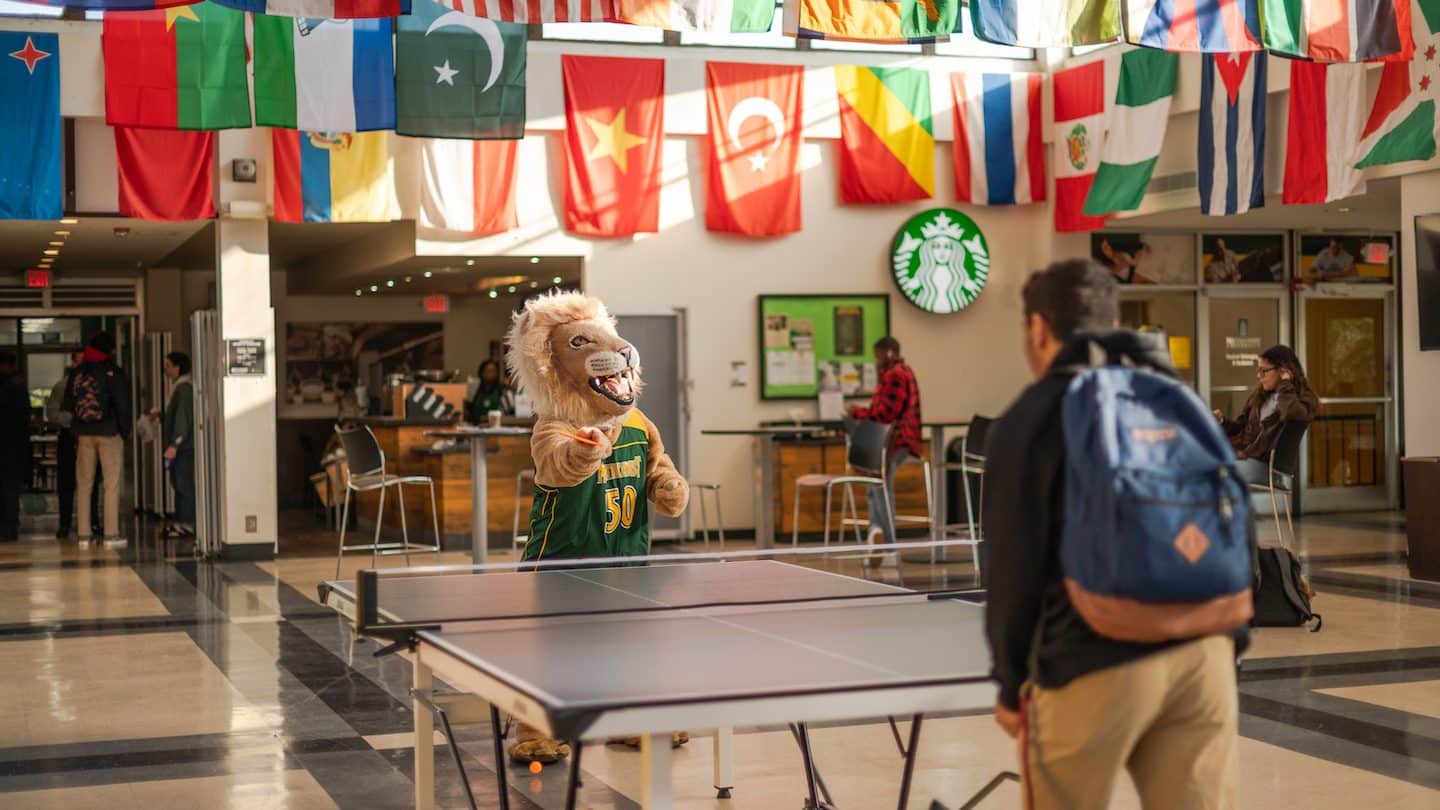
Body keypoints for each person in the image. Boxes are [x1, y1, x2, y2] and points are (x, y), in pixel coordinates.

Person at [983, 258, 1244, 810]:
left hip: (1092, 659)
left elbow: (1012, 566)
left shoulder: (1032, 416)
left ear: (1038, 329)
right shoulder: (1175, 397)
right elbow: (1233, 516)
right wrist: (1230, 641)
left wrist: (1010, 685)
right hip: (1205, 656)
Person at [850, 336, 922, 561]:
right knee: (875, 487)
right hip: (900, 439)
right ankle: (876, 535)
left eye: (878, 355)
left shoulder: (894, 375)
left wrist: (858, 413)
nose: (876, 360)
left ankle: (888, 544)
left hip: (896, 440)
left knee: (881, 489)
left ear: (889, 352)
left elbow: (885, 414)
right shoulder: (903, 371)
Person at [63, 332, 132, 547]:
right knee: (110, 484)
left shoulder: (77, 371)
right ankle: (111, 535)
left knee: (84, 483)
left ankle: (84, 535)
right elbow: (123, 405)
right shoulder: (113, 371)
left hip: (83, 433)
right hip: (109, 432)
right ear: (110, 349)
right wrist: (124, 431)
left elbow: (68, 405)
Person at [1214, 345, 1319, 481]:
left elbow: (1290, 413)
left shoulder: (1304, 398)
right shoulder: (1260, 395)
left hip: (1264, 466)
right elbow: (1241, 427)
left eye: (1264, 371)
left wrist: (1285, 384)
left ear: (1283, 370)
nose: (1259, 376)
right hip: (1244, 456)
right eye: (1258, 370)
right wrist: (1222, 421)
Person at [45, 351, 86, 539]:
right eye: (79, 360)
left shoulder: (93, 385)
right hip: (68, 436)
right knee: (66, 483)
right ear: (73, 362)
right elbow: (52, 413)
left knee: (90, 481)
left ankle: (90, 522)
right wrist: (74, 419)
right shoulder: (61, 387)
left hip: (88, 437)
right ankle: (65, 523)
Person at [161, 352, 195, 536]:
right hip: (181, 446)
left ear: (177, 367)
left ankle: (187, 522)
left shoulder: (183, 390)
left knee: (183, 484)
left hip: (183, 447)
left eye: (167, 365)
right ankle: (182, 521)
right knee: (179, 482)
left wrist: (175, 444)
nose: (165, 370)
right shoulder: (180, 388)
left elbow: (182, 419)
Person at [0, 351, 31, 543]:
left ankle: (8, 526)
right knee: (10, 490)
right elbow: (24, 421)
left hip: (8, 447)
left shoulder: (10, 388)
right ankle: (10, 526)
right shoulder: (18, 387)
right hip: (14, 448)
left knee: (7, 490)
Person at [466, 358, 514, 423]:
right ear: (481, 373)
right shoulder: (474, 390)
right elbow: (468, 412)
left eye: (493, 371)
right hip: (475, 428)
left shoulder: (503, 391)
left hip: (497, 429)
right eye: (487, 371)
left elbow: (510, 414)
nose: (490, 374)